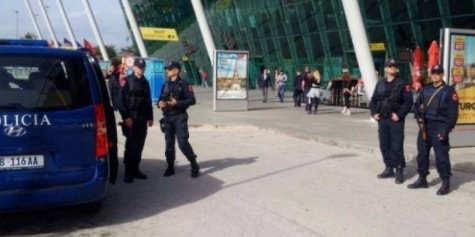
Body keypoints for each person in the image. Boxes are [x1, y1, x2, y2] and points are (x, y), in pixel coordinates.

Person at [407, 65, 458, 195]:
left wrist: (446, 130)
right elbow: (417, 106)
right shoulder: (425, 89)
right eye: (433, 73)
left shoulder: (449, 91)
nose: (435, 75)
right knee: (422, 154)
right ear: (430, 74)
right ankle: (422, 179)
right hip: (425, 126)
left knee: (441, 156)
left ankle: (445, 181)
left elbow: (453, 114)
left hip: (439, 126)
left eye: (438, 73)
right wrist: (419, 119)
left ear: (442, 74)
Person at [369, 59, 413, 184]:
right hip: (382, 119)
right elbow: (373, 100)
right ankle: (388, 168)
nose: (392, 68)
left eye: (394, 66)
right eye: (390, 66)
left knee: (396, 146)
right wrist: (373, 113)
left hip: (395, 120)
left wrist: (399, 115)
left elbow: (408, 101)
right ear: (385, 69)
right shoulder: (380, 83)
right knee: (384, 145)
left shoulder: (402, 83)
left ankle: (399, 170)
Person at [158, 61, 200, 178]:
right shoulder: (165, 84)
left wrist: (178, 103)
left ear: (176, 70)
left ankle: (193, 163)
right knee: (169, 144)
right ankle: (170, 166)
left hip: (179, 116)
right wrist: (159, 104)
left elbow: (192, 100)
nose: (167, 71)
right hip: (167, 117)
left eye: (170, 69)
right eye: (167, 69)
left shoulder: (184, 84)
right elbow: (160, 99)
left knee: (182, 142)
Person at [117, 58, 154, 183]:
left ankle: (135, 169)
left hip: (142, 119)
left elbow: (148, 101)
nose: (141, 69)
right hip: (131, 118)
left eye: (143, 67)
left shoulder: (145, 82)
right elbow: (119, 101)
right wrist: (126, 117)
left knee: (139, 146)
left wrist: (150, 117)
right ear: (134, 68)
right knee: (131, 146)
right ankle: (128, 172)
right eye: (139, 67)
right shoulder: (127, 81)